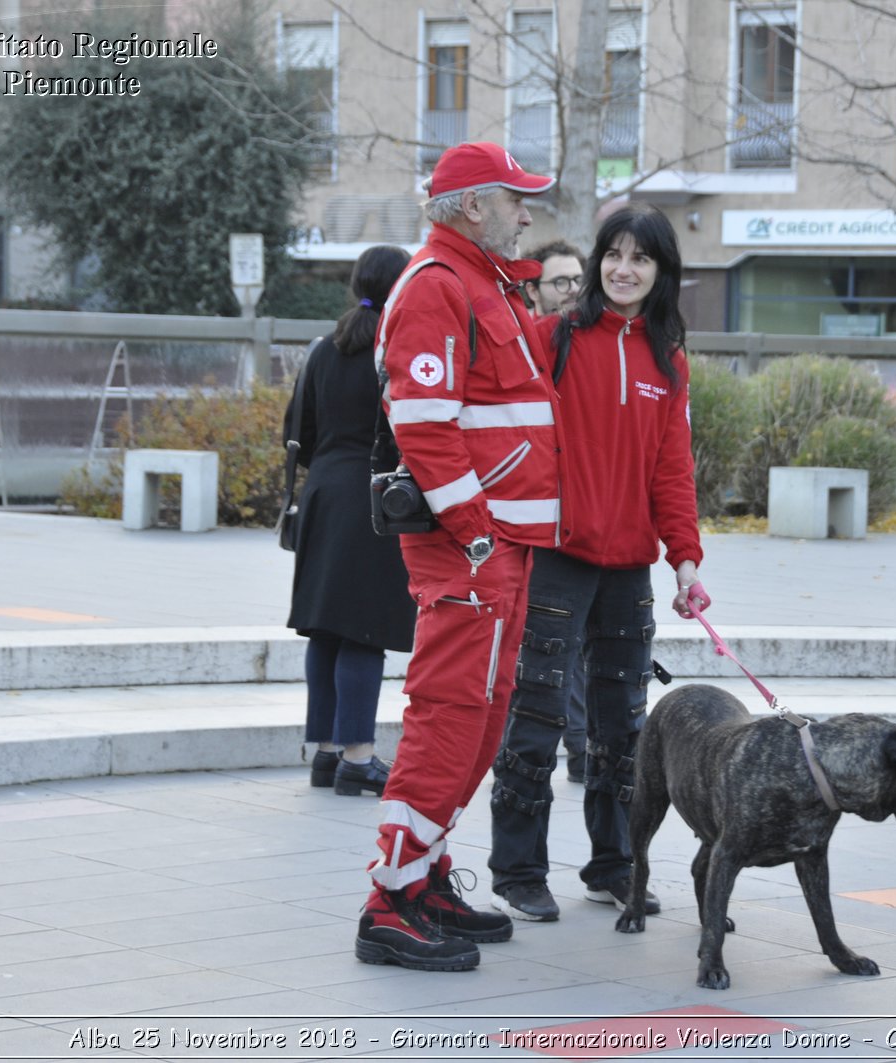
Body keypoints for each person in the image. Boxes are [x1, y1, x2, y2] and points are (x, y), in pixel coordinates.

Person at [355, 142, 561, 973]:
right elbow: (428, 425)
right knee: (451, 713)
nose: (527, 212)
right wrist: (476, 531)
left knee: (479, 712)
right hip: (471, 550)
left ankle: (426, 871)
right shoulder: (440, 286)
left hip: (496, 547)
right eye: (517, 199)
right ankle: (389, 900)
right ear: (473, 206)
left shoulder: (484, 283)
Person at [488, 204, 707, 923]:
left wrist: (685, 560)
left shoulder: (667, 359)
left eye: (640, 258)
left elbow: (672, 470)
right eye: (613, 254)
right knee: (537, 715)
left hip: (628, 569)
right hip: (554, 558)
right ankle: (517, 868)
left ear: (660, 271)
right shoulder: (552, 337)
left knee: (622, 730)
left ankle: (614, 865)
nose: (623, 269)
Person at [286, 246, 415, 796]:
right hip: (373, 495)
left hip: (322, 495)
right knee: (364, 631)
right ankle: (359, 759)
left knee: (326, 628)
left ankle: (326, 754)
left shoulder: (324, 348)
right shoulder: (398, 348)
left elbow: (300, 431)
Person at [525, 239, 590, 782]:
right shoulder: (530, 349)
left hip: (595, 523)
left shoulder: (594, 344)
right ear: (534, 290)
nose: (572, 292)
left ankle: (584, 744)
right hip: (541, 524)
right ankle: (571, 747)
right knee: (555, 647)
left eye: (577, 281)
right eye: (560, 283)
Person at [527, 240, 585, 317]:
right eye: (561, 282)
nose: (575, 289)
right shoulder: (518, 327)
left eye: (579, 280)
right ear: (533, 291)